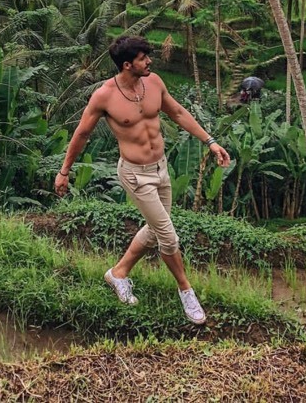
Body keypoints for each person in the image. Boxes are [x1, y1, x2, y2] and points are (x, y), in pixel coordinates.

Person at [54, 35, 230, 324]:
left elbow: (177, 112)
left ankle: (118, 273)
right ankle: (186, 291)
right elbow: (82, 134)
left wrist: (210, 141)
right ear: (127, 65)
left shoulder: (154, 82)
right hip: (135, 175)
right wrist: (64, 171)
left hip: (160, 169)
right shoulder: (105, 96)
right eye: (143, 58)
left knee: (155, 228)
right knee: (168, 237)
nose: (149, 61)